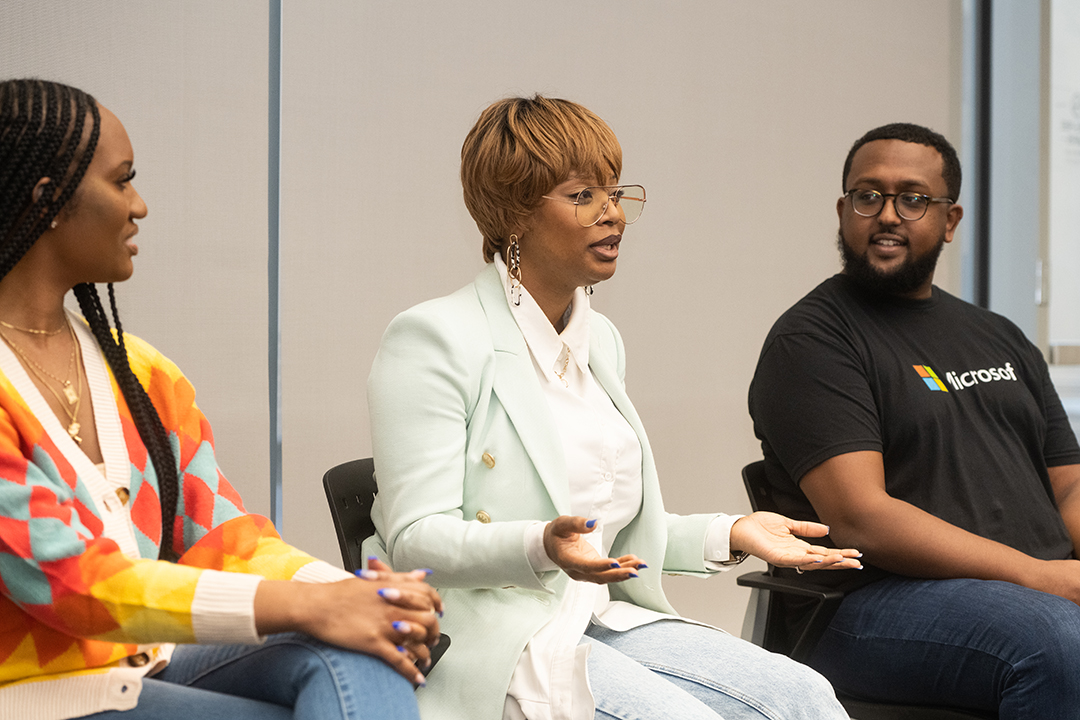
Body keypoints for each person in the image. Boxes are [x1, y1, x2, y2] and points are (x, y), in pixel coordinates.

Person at [366, 94, 862, 720]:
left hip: (600, 614)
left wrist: (731, 532)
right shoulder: (435, 337)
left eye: (616, 193)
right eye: (583, 196)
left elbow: (609, 535)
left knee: (805, 696)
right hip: (496, 634)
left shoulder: (599, 339)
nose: (614, 215)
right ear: (514, 213)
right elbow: (414, 542)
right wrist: (540, 545)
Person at [0, 78, 442, 720]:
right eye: (122, 180)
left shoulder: (143, 372)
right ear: (49, 201)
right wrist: (312, 606)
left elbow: (226, 539)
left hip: (148, 666)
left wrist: (355, 595)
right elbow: (70, 580)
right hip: (36, 695)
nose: (140, 205)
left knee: (365, 649)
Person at [748, 122, 1080, 718]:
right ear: (844, 210)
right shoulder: (813, 340)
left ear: (949, 221)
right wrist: (1042, 578)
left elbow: (1070, 484)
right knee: (1061, 642)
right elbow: (861, 520)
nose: (888, 215)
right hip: (869, 603)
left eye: (913, 198)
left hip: (1027, 588)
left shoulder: (998, 335)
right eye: (868, 196)